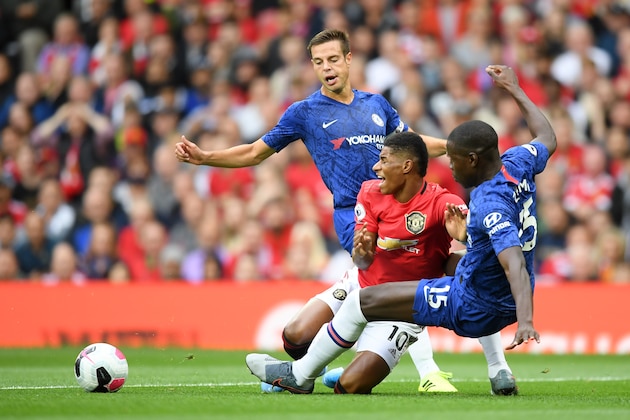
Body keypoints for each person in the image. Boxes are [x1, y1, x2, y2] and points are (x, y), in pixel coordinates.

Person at [176, 30, 509, 393]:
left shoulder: (377, 105)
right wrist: (207, 157)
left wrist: (456, 149)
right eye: (318, 62)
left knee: (453, 267)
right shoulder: (304, 113)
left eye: (333, 59)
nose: (326, 68)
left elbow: (413, 145)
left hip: (405, 207)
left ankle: (465, 368)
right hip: (356, 215)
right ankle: (387, 353)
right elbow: (256, 152)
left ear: (349, 60)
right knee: (297, 336)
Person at [245, 64, 557, 395]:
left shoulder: (472, 202)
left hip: (470, 303)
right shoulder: (518, 162)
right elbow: (548, 138)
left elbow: (511, 262)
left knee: (383, 297)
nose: (449, 166)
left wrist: (526, 320)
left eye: (454, 159)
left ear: (473, 160)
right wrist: (514, 87)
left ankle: (300, 375)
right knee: (336, 368)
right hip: (381, 279)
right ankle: (495, 374)